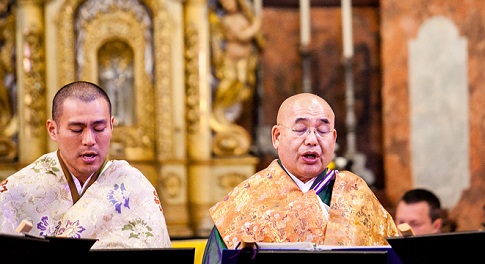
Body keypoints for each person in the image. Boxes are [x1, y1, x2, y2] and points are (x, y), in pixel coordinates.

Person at [202, 93, 398, 261]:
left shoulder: (356, 195)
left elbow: (394, 257)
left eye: (322, 130)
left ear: (334, 138)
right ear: (277, 136)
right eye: (300, 129)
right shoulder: (242, 205)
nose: (312, 140)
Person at [0, 81, 171, 248]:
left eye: (99, 128)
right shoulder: (17, 192)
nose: (89, 140)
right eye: (77, 129)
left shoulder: (135, 188)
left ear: (111, 126)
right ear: (53, 130)